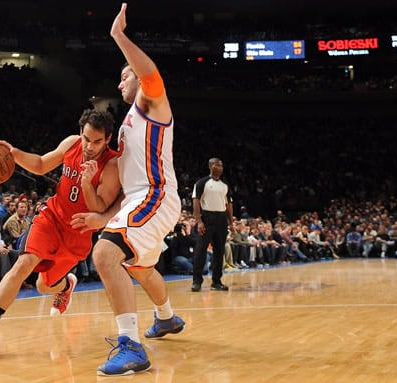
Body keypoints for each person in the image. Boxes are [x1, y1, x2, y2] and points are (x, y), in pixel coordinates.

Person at [71, 3, 185, 376]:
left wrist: (119, 36)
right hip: (139, 199)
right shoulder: (124, 129)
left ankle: (131, 346)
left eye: (125, 76)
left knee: (104, 255)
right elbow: (118, 193)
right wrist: (103, 214)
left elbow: (150, 73)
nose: (121, 83)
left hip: (155, 194)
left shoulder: (151, 103)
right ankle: (166, 318)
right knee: (141, 267)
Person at [0, 109, 121, 359]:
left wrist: (87, 182)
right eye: (87, 138)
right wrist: (13, 153)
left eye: (97, 141)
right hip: (52, 217)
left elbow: (99, 207)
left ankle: (65, 285)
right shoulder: (72, 144)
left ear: (108, 139)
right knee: (23, 264)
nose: (89, 146)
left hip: (77, 233)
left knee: (43, 285)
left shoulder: (111, 164)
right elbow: (41, 163)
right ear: (81, 132)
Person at [191, 158, 233, 292]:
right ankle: (196, 281)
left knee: (219, 251)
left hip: (221, 219)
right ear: (210, 166)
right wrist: (199, 221)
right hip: (207, 217)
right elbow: (196, 201)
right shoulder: (202, 183)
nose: (220, 167)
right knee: (201, 250)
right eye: (217, 165)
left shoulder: (225, 185)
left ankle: (216, 281)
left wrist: (231, 223)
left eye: (221, 165)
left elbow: (229, 204)